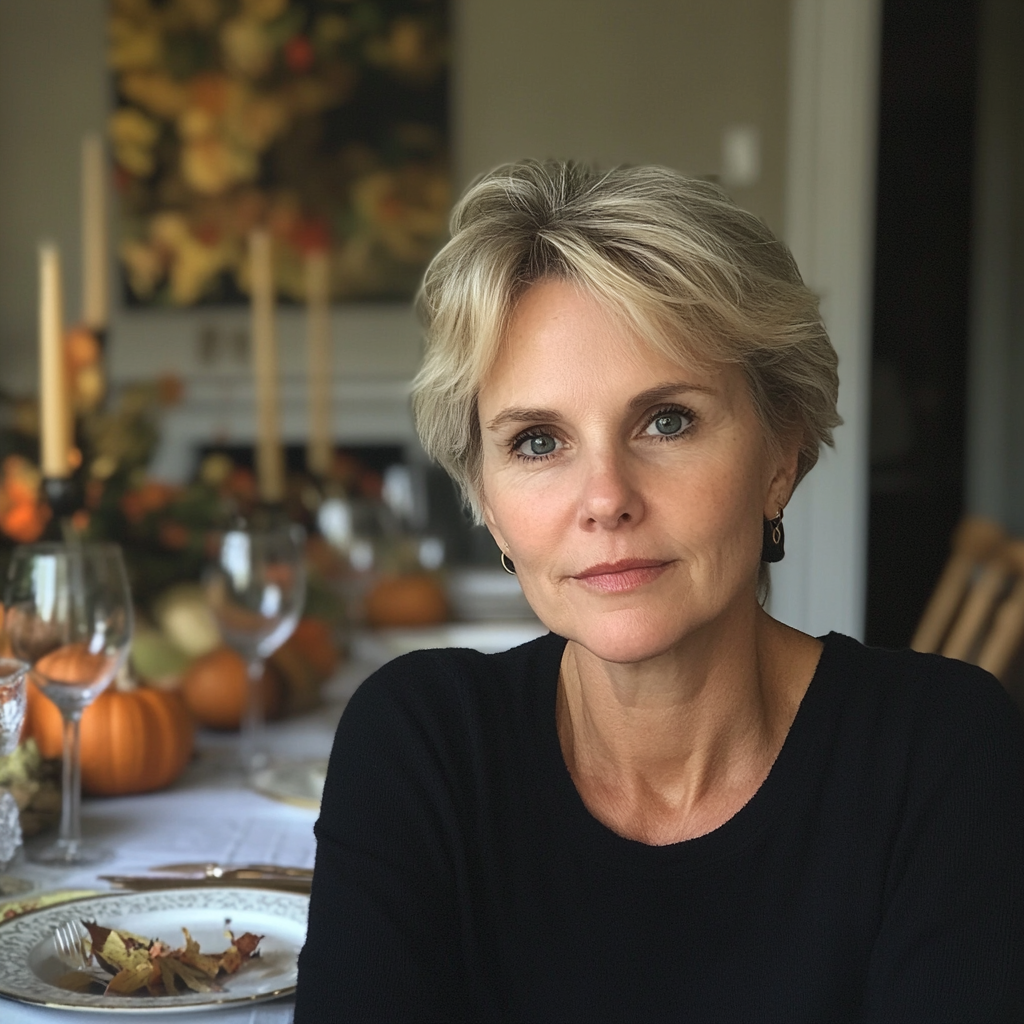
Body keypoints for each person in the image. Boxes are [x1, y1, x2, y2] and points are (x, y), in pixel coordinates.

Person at [295, 161, 1024, 1022]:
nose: (606, 499)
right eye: (537, 442)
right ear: (486, 503)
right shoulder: (420, 747)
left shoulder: (943, 752)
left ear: (778, 455)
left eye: (666, 420)